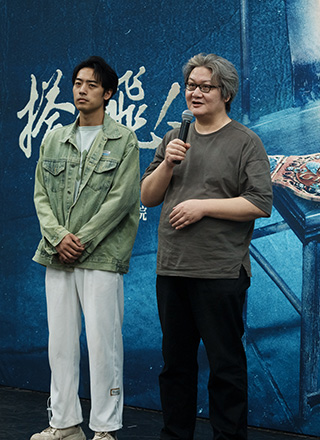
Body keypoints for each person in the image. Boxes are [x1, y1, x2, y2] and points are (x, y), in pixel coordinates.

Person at [140, 53, 272, 440]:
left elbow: (259, 203)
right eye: (191, 86)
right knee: (175, 365)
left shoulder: (245, 142)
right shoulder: (173, 139)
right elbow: (148, 196)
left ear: (225, 93)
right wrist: (168, 164)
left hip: (220, 271)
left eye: (205, 87)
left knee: (225, 366)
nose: (195, 93)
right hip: (173, 268)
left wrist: (203, 207)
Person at [31, 56, 141, 440]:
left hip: (101, 256)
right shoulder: (54, 138)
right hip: (57, 254)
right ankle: (64, 424)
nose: (82, 90)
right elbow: (41, 195)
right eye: (78, 83)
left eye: (92, 85)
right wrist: (58, 237)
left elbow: (122, 199)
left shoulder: (123, 140)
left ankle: (105, 429)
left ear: (108, 93)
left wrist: (82, 239)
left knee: (103, 344)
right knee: (60, 344)